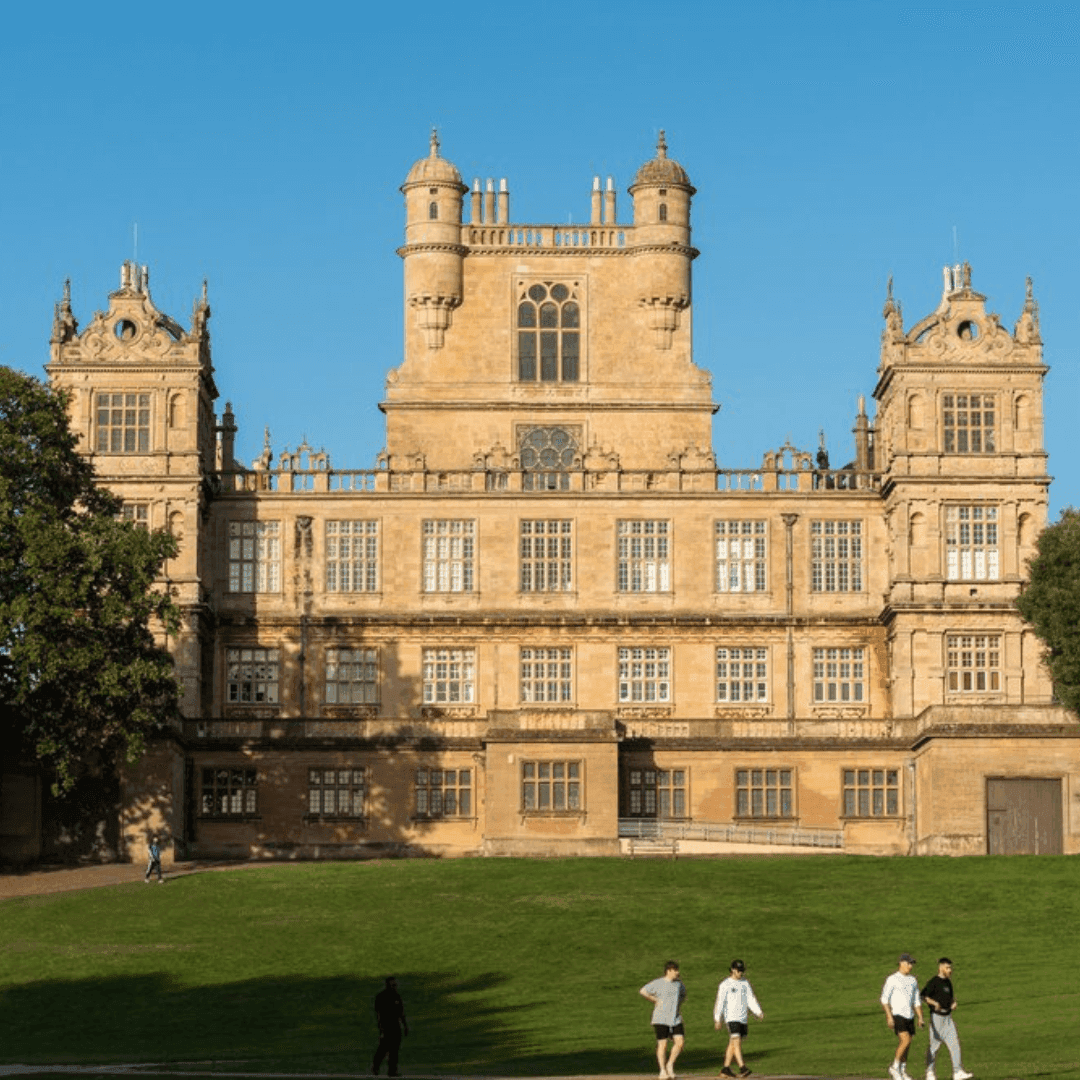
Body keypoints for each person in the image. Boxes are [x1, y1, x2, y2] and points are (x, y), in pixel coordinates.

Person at [921, 957, 973, 1080]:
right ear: (941, 968)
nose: (950, 970)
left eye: (950, 968)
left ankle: (957, 1072)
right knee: (934, 1046)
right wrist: (934, 1003)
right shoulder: (934, 982)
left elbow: (950, 997)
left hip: (948, 1018)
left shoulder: (948, 982)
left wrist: (953, 1003)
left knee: (954, 1044)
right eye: (947, 968)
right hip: (937, 1019)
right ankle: (930, 1073)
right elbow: (923, 996)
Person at [712, 958, 764, 1078]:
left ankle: (725, 1069)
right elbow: (719, 1002)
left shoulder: (745, 983)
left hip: (742, 1017)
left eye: (742, 971)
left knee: (733, 1043)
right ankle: (742, 1067)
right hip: (731, 1017)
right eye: (738, 971)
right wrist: (717, 1018)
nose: (740, 973)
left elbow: (750, 998)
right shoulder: (725, 984)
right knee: (737, 1042)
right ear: (732, 970)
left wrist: (758, 1011)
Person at [639, 960, 687, 1079]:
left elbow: (683, 995)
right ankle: (662, 1071)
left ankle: (670, 1064)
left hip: (675, 1018)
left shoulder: (679, 984)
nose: (677, 972)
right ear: (669, 971)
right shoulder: (658, 983)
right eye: (675, 970)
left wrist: (677, 1005)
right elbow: (643, 991)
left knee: (680, 1043)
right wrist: (655, 1000)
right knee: (663, 1044)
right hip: (660, 1018)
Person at [881, 953, 924, 1080]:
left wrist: (920, 1017)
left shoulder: (913, 980)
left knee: (908, 1044)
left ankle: (902, 1070)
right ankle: (894, 1067)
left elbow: (916, 1001)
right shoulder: (892, 979)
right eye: (908, 963)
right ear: (901, 963)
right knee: (905, 1040)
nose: (910, 966)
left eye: (911, 964)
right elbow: (884, 999)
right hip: (897, 1014)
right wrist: (889, 1016)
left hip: (909, 1015)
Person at [372, 975, 408, 1076]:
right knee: (383, 1049)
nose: (395, 987)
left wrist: (405, 1025)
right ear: (387, 985)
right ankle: (375, 1067)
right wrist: (381, 1028)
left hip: (396, 1026)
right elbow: (378, 1014)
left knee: (394, 1050)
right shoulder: (381, 997)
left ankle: (392, 1070)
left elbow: (401, 1012)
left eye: (395, 985)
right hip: (386, 1027)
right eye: (393, 985)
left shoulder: (397, 996)